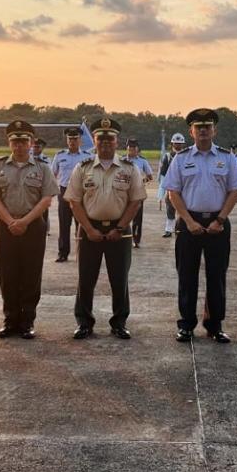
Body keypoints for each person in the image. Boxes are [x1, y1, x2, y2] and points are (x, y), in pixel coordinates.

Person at [163, 108, 237, 344]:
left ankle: (215, 325)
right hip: (189, 223)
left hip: (218, 224)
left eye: (207, 127)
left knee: (216, 276)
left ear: (214, 130)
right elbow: (173, 193)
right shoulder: (181, 158)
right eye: (198, 127)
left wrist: (220, 220)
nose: (203, 131)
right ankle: (186, 325)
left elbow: (234, 191)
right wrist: (188, 221)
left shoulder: (227, 158)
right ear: (191, 131)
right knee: (187, 276)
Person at [66, 118, 146, 340]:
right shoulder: (82, 168)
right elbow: (74, 201)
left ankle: (119, 322)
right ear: (94, 140)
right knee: (86, 279)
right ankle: (84, 322)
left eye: (109, 139)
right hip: (89, 230)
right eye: (100, 139)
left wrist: (119, 228)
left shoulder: (130, 169)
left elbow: (135, 202)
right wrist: (88, 228)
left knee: (119, 279)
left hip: (119, 231)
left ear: (116, 141)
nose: (105, 143)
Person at [0, 121, 57, 339]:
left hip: (33, 227)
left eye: (24, 141)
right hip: (6, 227)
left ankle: (27, 321)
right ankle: (10, 320)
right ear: (9, 143)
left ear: (31, 143)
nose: (19, 146)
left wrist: (24, 221)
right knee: (8, 275)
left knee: (31, 275)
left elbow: (46, 199)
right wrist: (10, 221)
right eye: (15, 141)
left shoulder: (42, 167)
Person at [52, 127, 90, 263]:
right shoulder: (60, 156)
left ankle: (84, 252)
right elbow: (52, 175)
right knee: (64, 224)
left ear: (80, 140)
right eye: (70, 139)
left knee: (82, 224)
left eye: (75, 139)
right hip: (64, 192)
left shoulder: (88, 157)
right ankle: (63, 252)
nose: (72, 141)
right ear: (67, 140)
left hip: (82, 193)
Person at [124, 138, 154, 247]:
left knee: (137, 218)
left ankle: (136, 240)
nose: (131, 149)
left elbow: (150, 177)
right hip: (124, 192)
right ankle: (123, 237)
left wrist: (141, 181)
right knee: (122, 216)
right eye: (130, 147)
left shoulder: (142, 161)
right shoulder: (122, 160)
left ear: (138, 149)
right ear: (126, 148)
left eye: (134, 147)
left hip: (137, 192)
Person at [158, 133, 187, 237]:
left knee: (183, 209)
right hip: (171, 187)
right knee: (170, 209)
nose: (178, 145)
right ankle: (169, 229)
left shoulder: (186, 155)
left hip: (184, 187)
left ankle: (180, 228)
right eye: (176, 143)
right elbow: (163, 173)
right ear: (172, 144)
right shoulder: (168, 156)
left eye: (180, 143)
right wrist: (163, 190)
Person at [32, 137, 51, 231]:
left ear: (42, 147)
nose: (35, 148)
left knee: (43, 209)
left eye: (38, 147)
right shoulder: (27, 158)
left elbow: (50, 175)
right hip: (30, 188)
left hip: (42, 188)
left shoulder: (46, 160)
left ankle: (44, 228)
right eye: (34, 146)